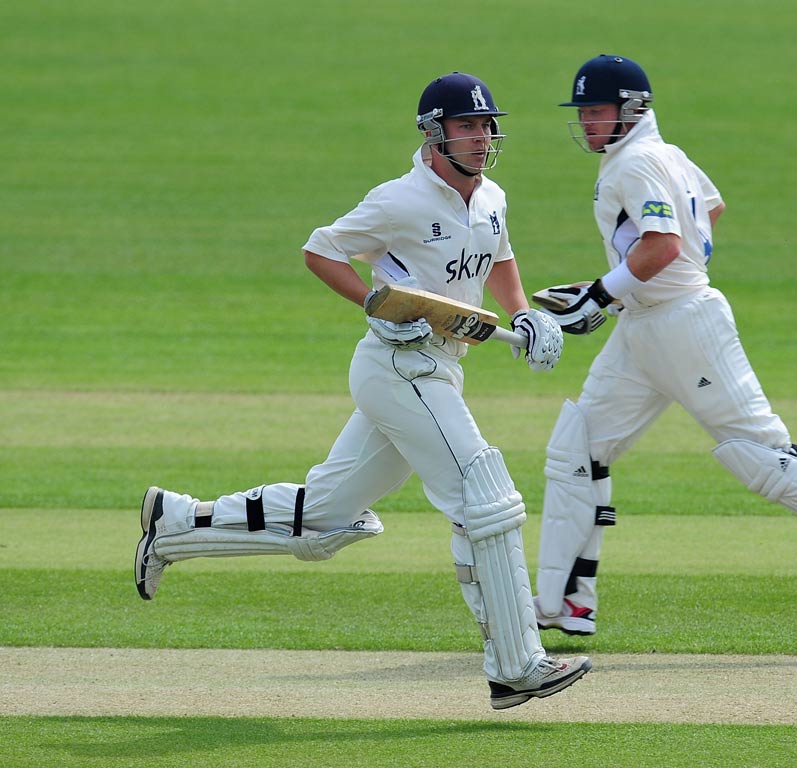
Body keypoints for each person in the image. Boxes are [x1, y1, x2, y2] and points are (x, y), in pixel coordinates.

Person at [133, 71, 590, 709]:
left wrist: (523, 315)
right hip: (399, 367)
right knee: (485, 494)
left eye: (487, 126)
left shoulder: (492, 198)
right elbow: (321, 250)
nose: (482, 138)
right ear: (433, 136)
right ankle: (515, 664)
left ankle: (177, 524)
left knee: (326, 514)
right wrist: (372, 302)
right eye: (467, 126)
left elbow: (500, 258)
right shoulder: (398, 200)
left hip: (442, 366)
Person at [533, 54, 797, 637]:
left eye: (596, 110)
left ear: (631, 108)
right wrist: (622, 290)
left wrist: (601, 293)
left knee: (758, 456)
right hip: (644, 328)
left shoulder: (640, 161)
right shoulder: (663, 155)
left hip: (684, 326)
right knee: (577, 450)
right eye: (583, 112)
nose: (587, 122)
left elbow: (666, 245)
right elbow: (708, 209)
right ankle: (562, 602)